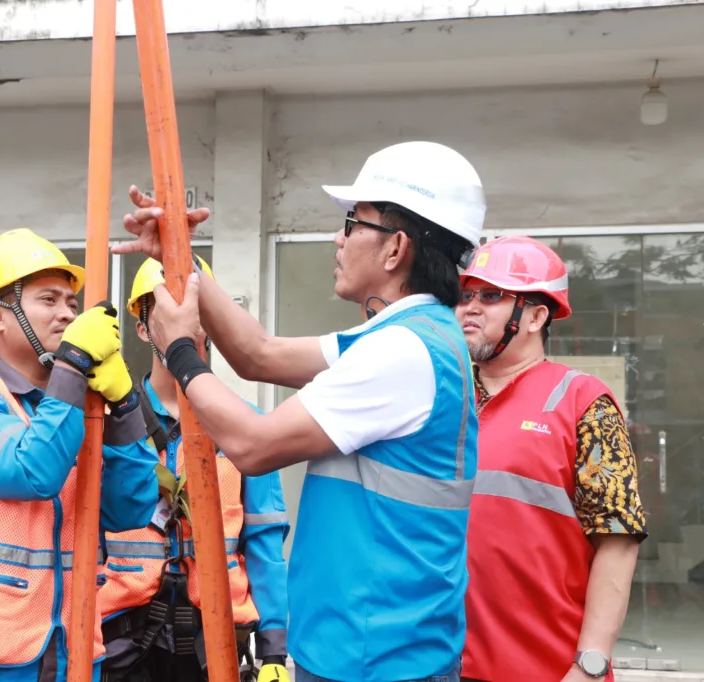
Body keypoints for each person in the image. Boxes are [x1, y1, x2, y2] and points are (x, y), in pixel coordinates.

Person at [112, 140, 484, 682]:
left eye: (354, 223)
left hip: (374, 659)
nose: (339, 238)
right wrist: (180, 257)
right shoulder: (408, 336)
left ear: (395, 247)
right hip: (367, 645)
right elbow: (257, 353)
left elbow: (253, 447)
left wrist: (180, 351)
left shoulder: (403, 353)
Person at [0, 228, 160, 682]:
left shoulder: (78, 408)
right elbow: (29, 472)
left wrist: (122, 405)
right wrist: (74, 366)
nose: (67, 315)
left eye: (72, 305)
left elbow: (131, 507)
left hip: (66, 657)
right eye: (48, 300)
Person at [453, 235, 647, 682]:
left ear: (537, 315)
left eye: (492, 295)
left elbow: (617, 539)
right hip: (439, 664)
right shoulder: (445, 397)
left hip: (546, 668)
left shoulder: (583, 402)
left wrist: (590, 664)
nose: (470, 307)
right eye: (465, 295)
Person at [97, 257, 290, 682]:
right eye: (168, 313)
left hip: (214, 644)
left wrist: (274, 651)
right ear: (144, 328)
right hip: (121, 642)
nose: (187, 325)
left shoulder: (242, 425)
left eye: (198, 314)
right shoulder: (110, 423)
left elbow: (263, 539)